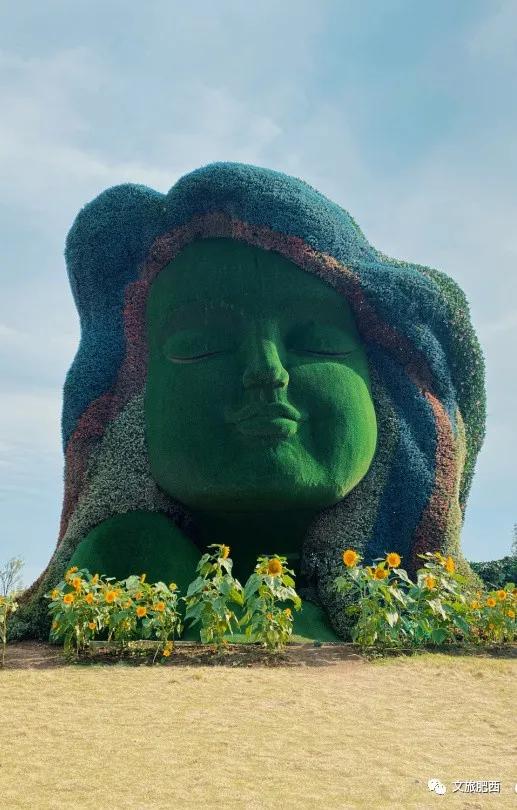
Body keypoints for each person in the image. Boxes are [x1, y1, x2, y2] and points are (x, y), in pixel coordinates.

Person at [13, 162, 485, 641]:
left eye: (318, 342)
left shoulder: (413, 602)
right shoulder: (125, 559)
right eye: (200, 346)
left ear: (385, 389)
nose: (267, 372)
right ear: (133, 406)